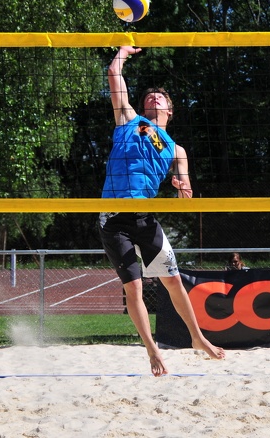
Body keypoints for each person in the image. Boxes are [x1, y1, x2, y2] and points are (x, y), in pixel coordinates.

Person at [98, 46, 225, 376]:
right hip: (114, 219)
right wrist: (123, 52)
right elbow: (114, 75)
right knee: (135, 288)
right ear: (143, 106)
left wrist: (183, 189)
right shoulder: (129, 120)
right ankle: (152, 350)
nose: (154, 98)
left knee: (173, 281)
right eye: (150, 96)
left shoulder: (175, 149)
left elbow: (186, 191)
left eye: (160, 97)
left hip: (145, 219)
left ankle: (197, 338)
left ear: (170, 109)